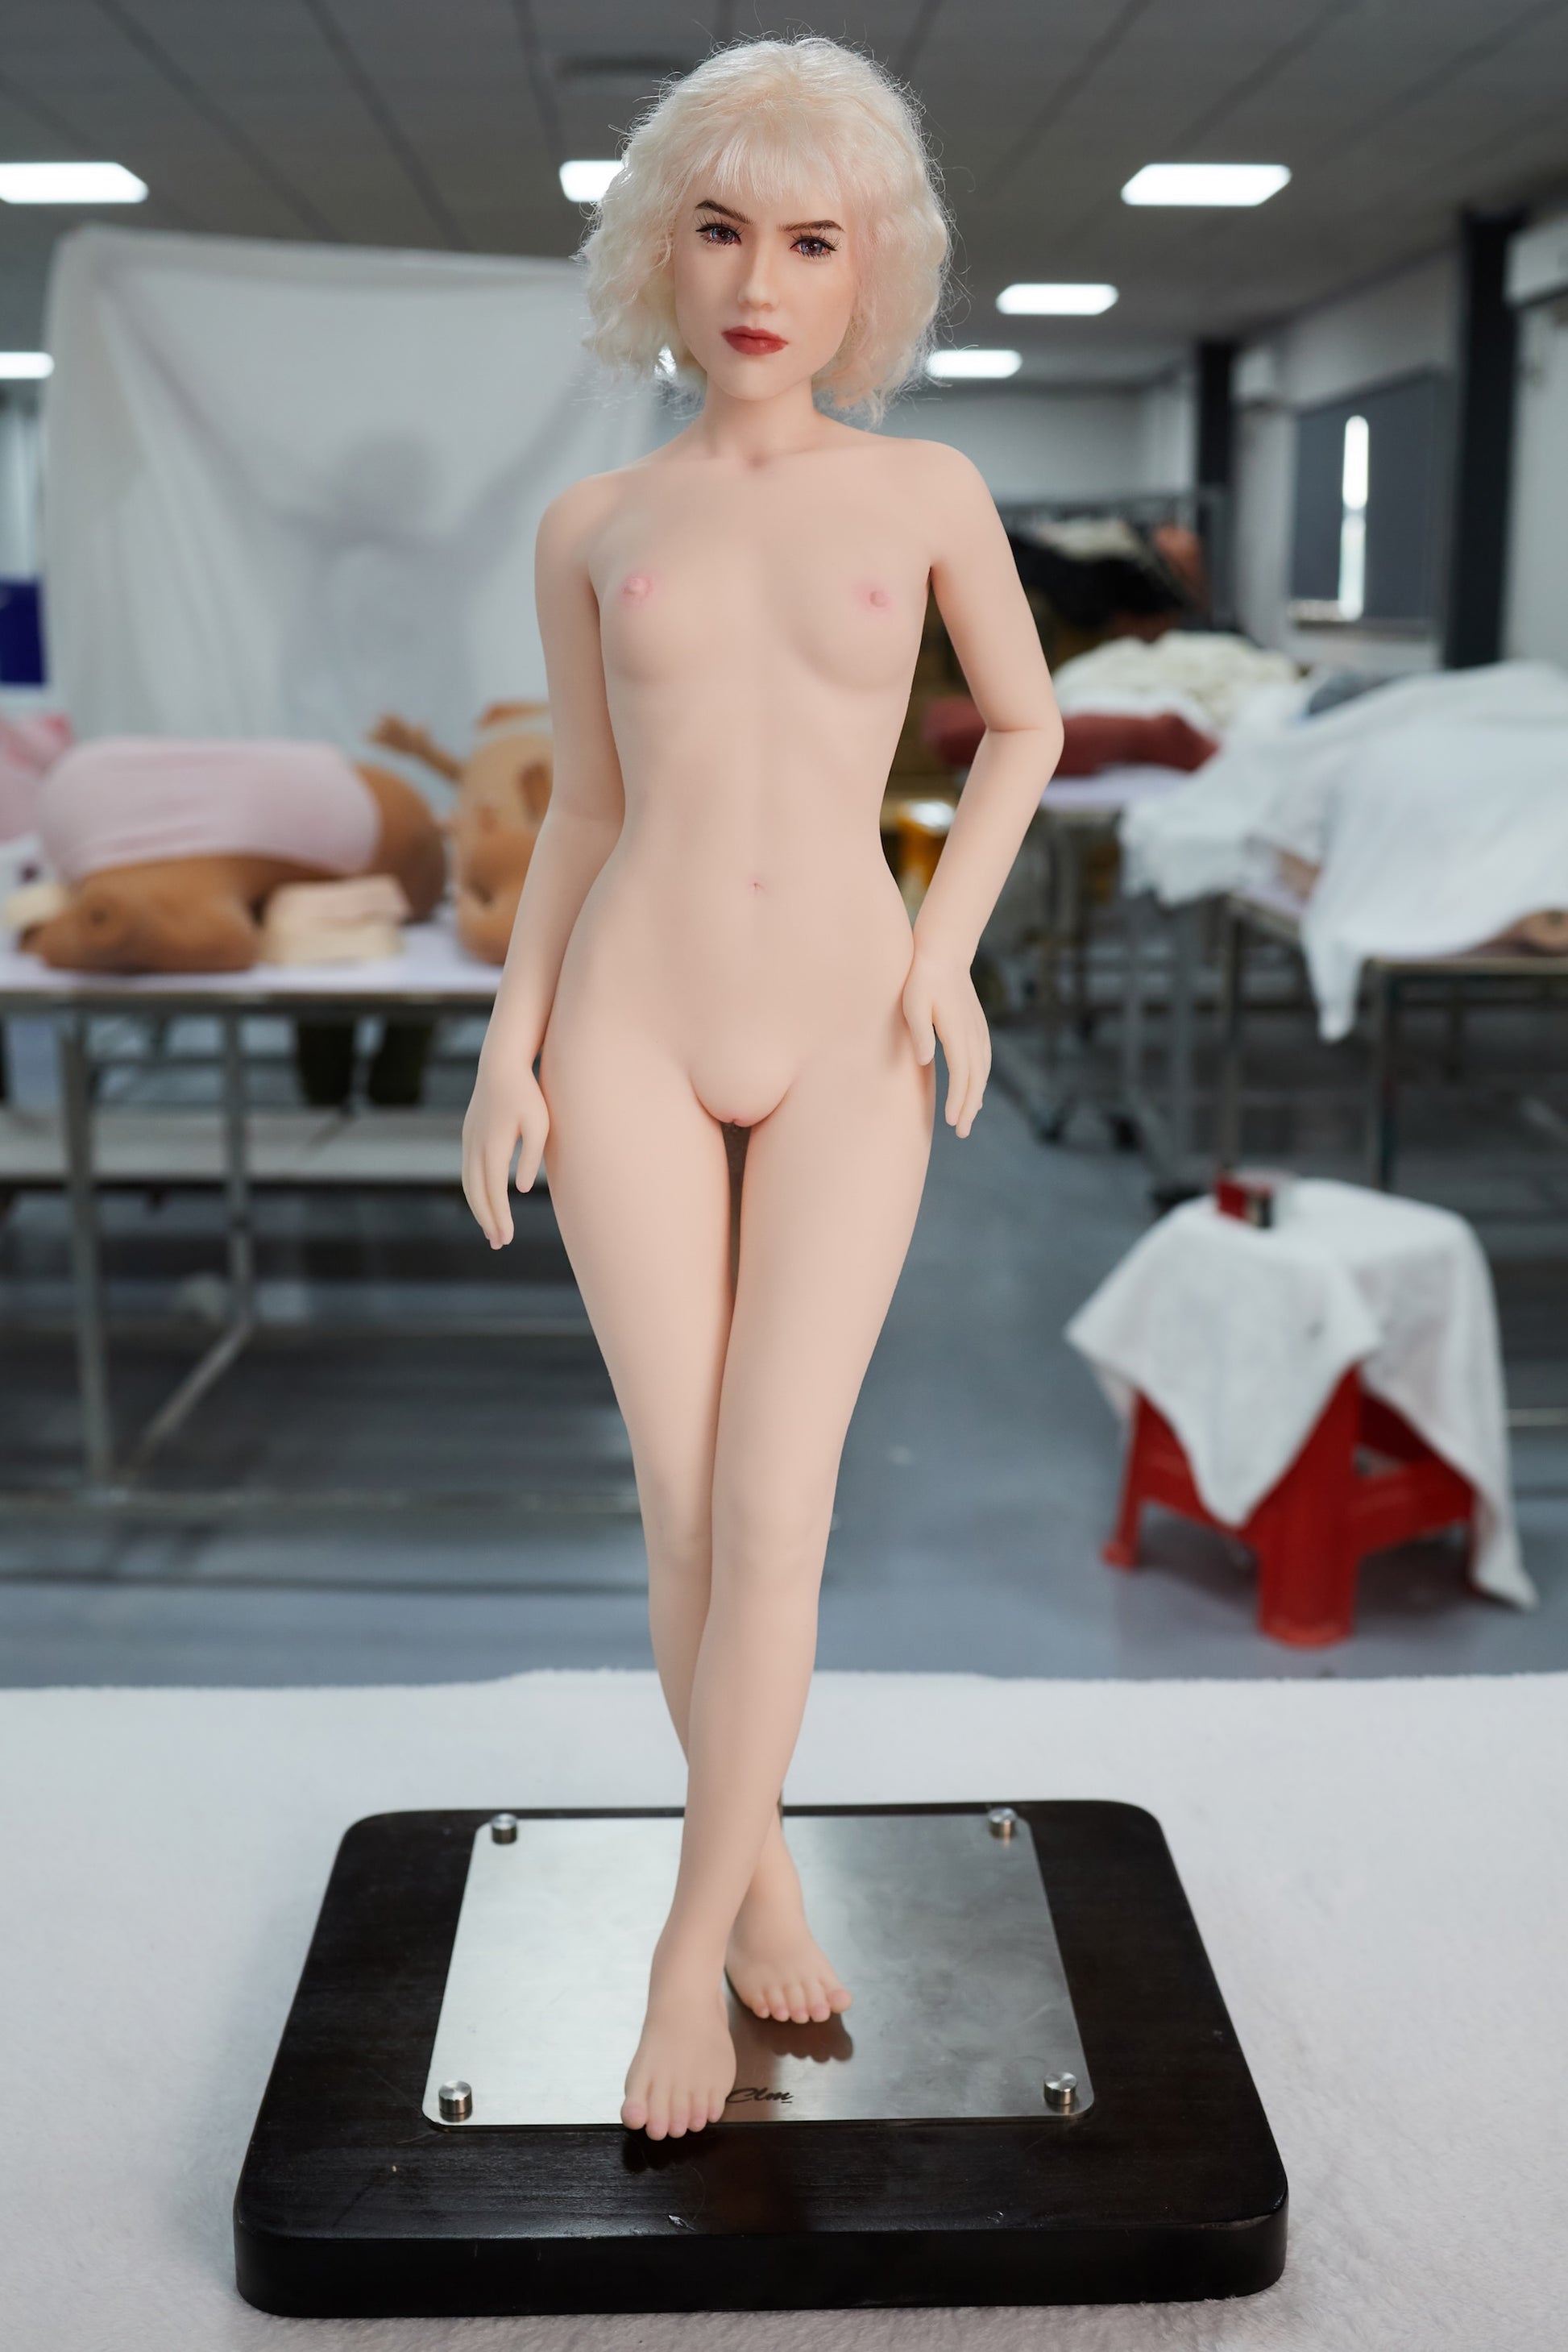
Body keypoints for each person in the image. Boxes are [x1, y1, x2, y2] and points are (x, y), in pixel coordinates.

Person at [461, 35, 1062, 2141]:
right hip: (629, 1015)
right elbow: (579, 807)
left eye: (812, 240)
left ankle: (680, 1945)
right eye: (720, 230)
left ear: (869, 268)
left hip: (846, 1027)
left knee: (778, 1505)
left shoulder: (924, 492)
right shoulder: (593, 521)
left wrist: (943, 947)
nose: (759, 280)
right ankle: (761, 1874)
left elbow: (1023, 725)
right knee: (683, 1504)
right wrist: (507, 1042)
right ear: (663, 247)